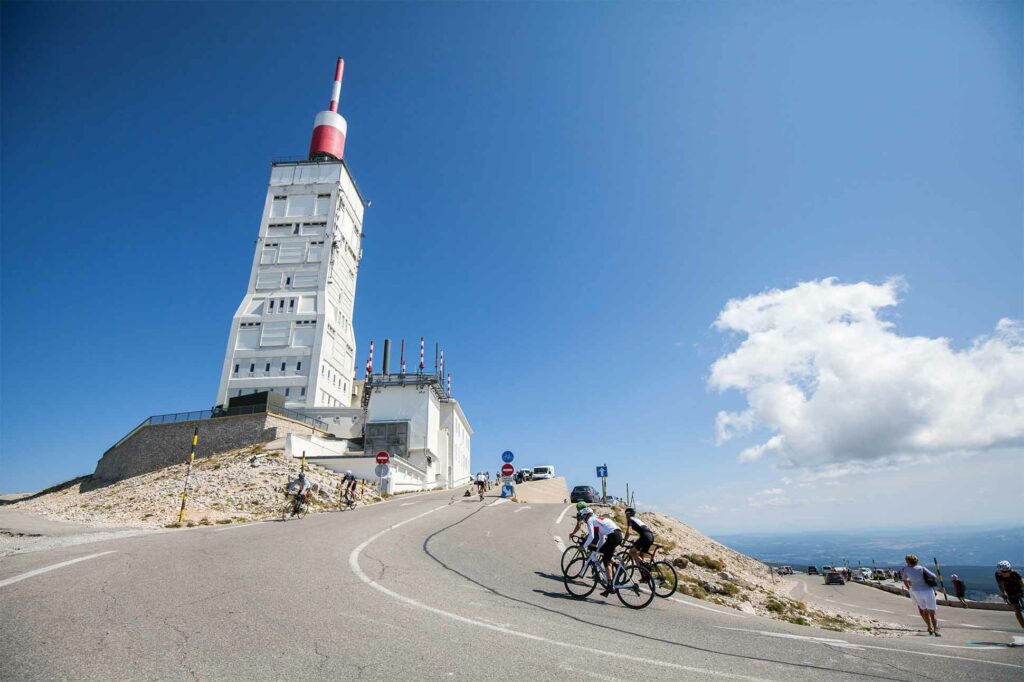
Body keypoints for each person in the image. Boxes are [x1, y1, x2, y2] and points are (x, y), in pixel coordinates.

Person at [580, 507, 624, 597]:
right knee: (604, 552)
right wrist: (597, 550)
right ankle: (617, 564)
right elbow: (601, 540)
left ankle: (610, 585)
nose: (583, 518)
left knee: (605, 560)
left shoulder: (590, 520)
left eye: (584, 516)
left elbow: (591, 536)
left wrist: (583, 547)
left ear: (586, 515)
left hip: (613, 536)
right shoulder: (597, 521)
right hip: (618, 535)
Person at [901, 554, 941, 636]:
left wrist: (909, 587)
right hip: (927, 590)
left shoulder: (905, 569)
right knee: (932, 611)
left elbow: (905, 580)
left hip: (916, 591)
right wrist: (927, 580)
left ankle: (929, 627)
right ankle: (936, 629)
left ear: (908, 561)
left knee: (924, 610)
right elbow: (934, 576)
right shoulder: (921, 568)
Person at [995, 560, 1024, 629]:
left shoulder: (1015, 573)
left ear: (1009, 570)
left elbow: (1022, 582)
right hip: (1010, 590)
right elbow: (1000, 584)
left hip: (1019, 587)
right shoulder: (998, 574)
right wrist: (1004, 592)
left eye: (1005, 572)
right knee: (1017, 609)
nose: (1003, 573)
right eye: (1001, 571)